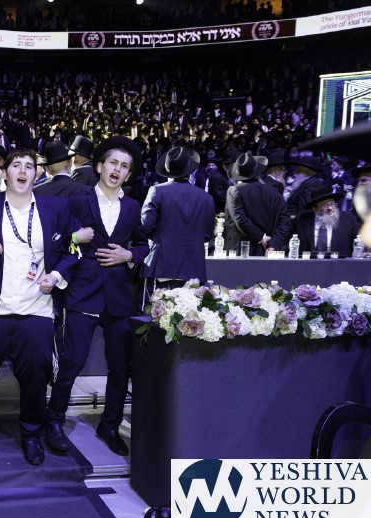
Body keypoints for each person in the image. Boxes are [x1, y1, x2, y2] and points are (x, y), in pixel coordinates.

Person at [0, 148, 80, 467]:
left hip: (37, 310)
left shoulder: (55, 207)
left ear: (37, 173)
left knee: (34, 378)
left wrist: (57, 275)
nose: (22, 171)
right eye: (15, 165)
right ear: (5, 173)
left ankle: (31, 434)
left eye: (29, 166)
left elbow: (74, 246)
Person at [45, 136, 148, 457]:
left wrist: (128, 255)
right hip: (83, 293)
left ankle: (110, 425)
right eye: (113, 163)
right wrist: (76, 237)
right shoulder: (78, 200)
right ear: (100, 166)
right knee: (72, 362)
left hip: (119, 297)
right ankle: (53, 421)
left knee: (120, 367)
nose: (117, 170)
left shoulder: (132, 207)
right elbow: (59, 240)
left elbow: (143, 245)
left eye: (124, 166)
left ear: (128, 174)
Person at [140, 146, 215, 288]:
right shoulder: (206, 197)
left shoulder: (157, 191)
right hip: (194, 268)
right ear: (189, 171)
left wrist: (163, 239)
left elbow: (146, 227)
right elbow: (207, 235)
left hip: (162, 265)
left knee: (157, 302)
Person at [223, 152, 291, 256]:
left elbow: (240, 219)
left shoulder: (234, 191)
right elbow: (285, 221)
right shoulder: (274, 193)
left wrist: (261, 237)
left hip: (239, 250)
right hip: (266, 250)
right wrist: (274, 244)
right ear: (258, 173)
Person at [294, 187, 360, 257]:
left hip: (340, 262)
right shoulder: (302, 220)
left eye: (332, 204)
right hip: (310, 262)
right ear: (314, 208)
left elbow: (358, 240)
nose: (330, 208)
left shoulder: (348, 218)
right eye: (325, 205)